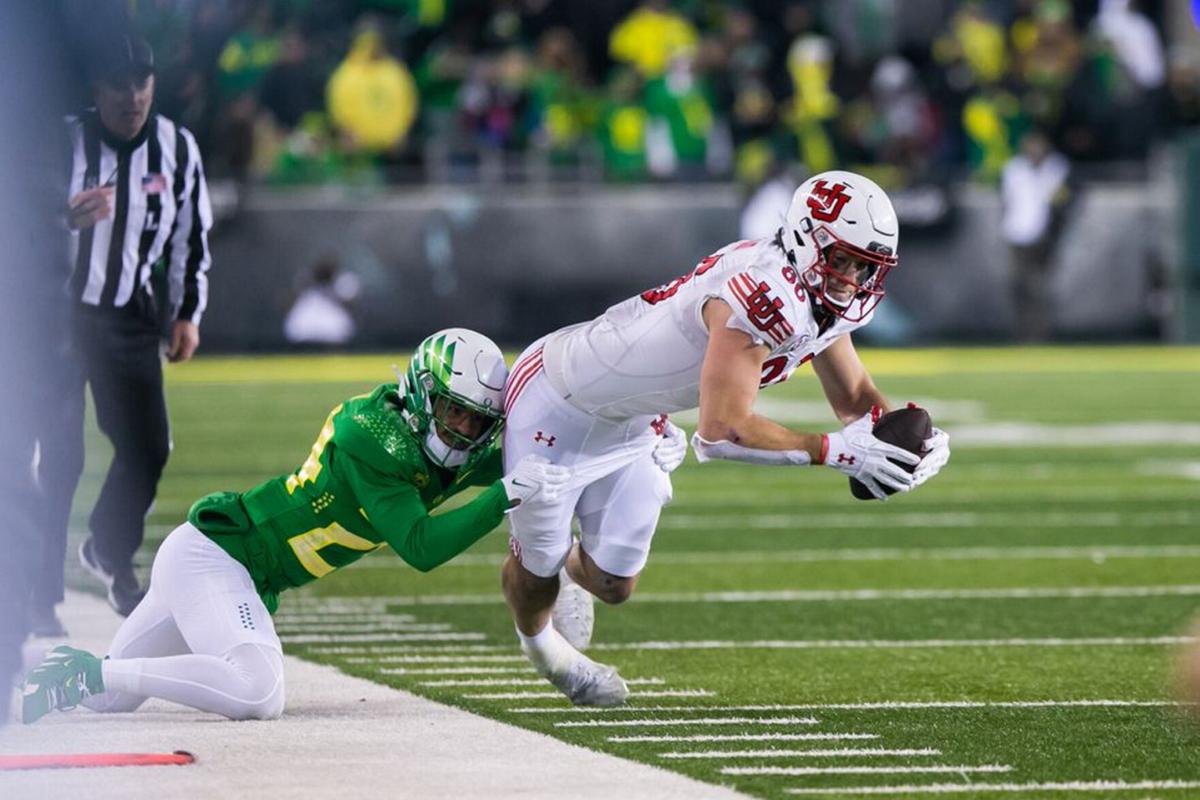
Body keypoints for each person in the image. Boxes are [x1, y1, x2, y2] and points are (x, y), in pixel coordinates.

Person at [500, 171, 951, 706]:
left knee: (614, 584)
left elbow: (854, 396)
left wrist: (900, 439)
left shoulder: (816, 291)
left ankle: (573, 573)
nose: (851, 278)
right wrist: (836, 451)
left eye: (865, 266)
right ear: (808, 239)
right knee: (536, 568)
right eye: (844, 259)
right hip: (558, 394)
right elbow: (719, 431)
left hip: (635, 417)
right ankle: (546, 655)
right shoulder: (763, 292)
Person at [22, 328, 570, 723]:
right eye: (454, 412)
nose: (464, 430)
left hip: (222, 564)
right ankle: (96, 671)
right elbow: (421, 547)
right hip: (217, 558)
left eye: (477, 421)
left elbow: (539, 455)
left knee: (108, 700)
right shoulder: (373, 436)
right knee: (257, 692)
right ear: (424, 392)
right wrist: (504, 495)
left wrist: (635, 439)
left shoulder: (432, 441)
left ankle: (55, 674)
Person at [34, 31, 214, 629]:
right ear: (96, 88)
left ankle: (108, 549)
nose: (132, 97)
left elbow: (192, 238)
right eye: (118, 84)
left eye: (141, 82)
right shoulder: (60, 143)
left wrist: (186, 312)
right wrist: (60, 219)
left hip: (127, 315)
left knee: (148, 446)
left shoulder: (177, 150)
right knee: (59, 452)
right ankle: (39, 593)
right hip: (55, 315)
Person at [1000, 128, 1071, 342]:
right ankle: (1021, 333)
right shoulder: (1014, 169)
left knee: (1038, 287)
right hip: (1016, 233)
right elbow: (1007, 200)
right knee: (1017, 285)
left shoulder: (1056, 168)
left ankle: (1040, 334)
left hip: (1042, 236)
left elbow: (1060, 202)